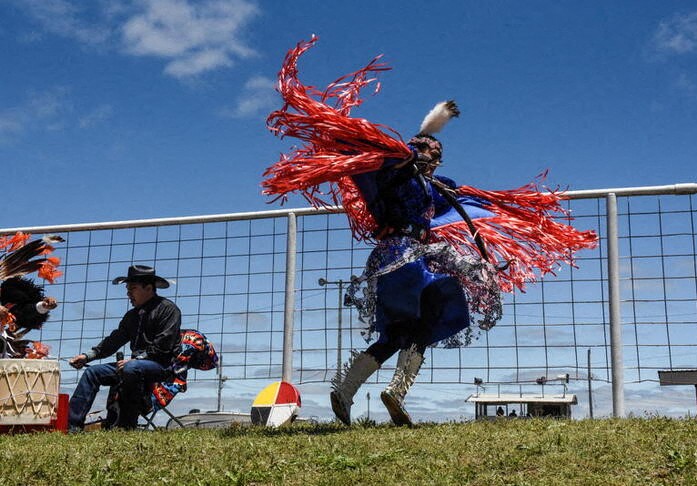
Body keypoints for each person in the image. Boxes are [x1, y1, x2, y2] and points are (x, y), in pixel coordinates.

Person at [262, 37, 598, 426]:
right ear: (410, 150)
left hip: (405, 256)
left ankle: (349, 389)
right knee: (442, 300)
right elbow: (396, 168)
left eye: (435, 153)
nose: (429, 156)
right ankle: (391, 390)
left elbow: (456, 200)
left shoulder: (432, 188)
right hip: (400, 254)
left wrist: (449, 184)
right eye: (423, 149)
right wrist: (410, 156)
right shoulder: (394, 173)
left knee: (404, 329)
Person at [68, 265, 181, 430]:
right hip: (134, 365)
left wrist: (136, 359)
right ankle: (71, 426)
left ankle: (126, 426)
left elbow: (164, 345)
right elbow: (114, 340)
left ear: (149, 288)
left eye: (132, 289)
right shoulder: (132, 316)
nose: (128, 294)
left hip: (162, 366)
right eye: (128, 289)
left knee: (131, 368)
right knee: (92, 372)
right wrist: (88, 356)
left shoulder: (169, 310)